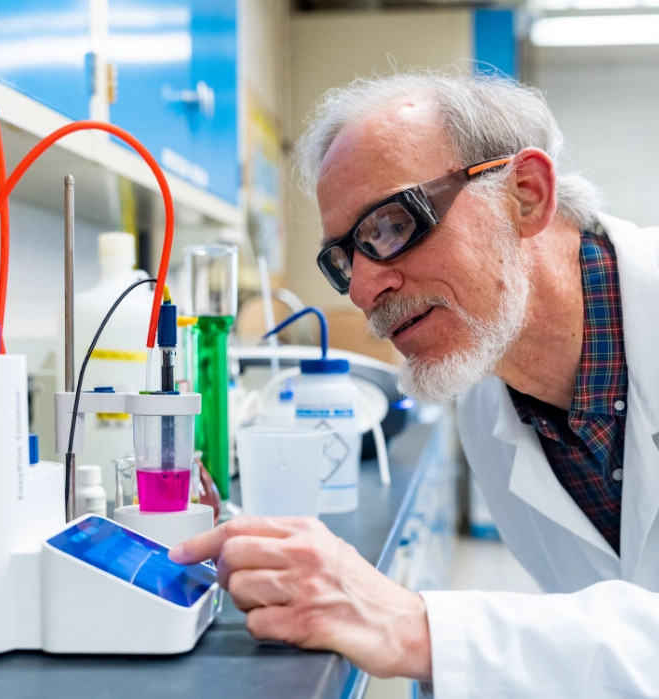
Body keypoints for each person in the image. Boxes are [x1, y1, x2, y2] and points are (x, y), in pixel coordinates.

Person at [170, 73, 659, 697]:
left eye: (392, 226)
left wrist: (417, 628)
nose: (365, 289)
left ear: (527, 196)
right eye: (346, 258)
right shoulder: (489, 409)